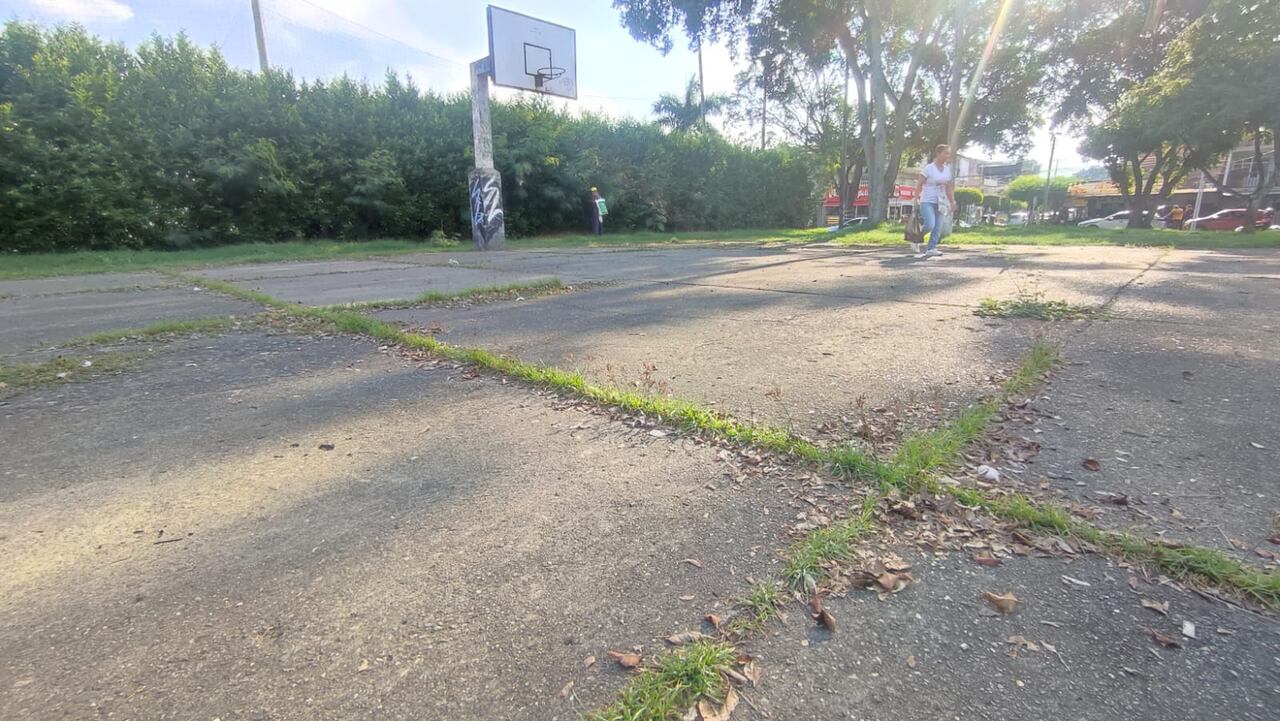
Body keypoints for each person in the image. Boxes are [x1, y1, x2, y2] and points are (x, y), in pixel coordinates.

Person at [913, 144, 957, 258]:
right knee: (930, 224)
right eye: (946, 153)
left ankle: (931, 248)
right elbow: (919, 184)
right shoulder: (929, 168)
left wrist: (952, 202)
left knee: (938, 227)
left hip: (941, 201)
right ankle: (916, 238)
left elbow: (949, 188)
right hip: (927, 200)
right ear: (938, 153)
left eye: (949, 154)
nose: (948, 156)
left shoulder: (947, 170)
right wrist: (916, 198)